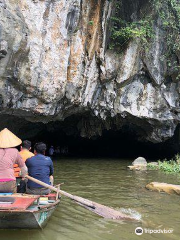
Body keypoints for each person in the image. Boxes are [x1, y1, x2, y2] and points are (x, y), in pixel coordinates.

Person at [0, 128, 27, 193]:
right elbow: (24, 168)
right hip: (10, 182)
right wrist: (23, 176)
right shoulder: (15, 151)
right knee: (13, 198)